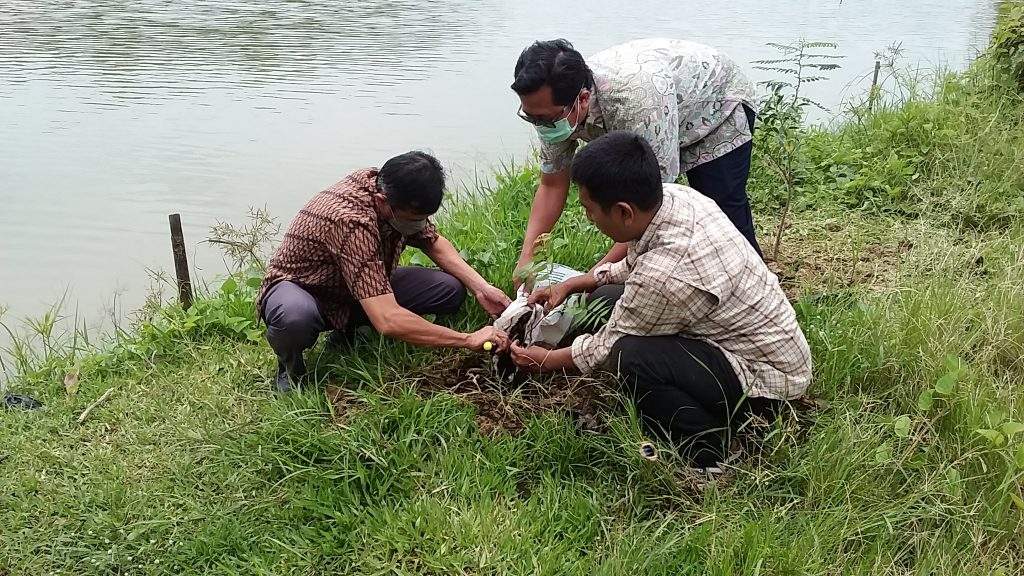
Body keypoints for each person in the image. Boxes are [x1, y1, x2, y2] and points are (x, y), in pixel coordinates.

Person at [509, 132, 811, 468]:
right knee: (608, 295)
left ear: (624, 212)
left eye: (589, 210)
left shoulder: (667, 275)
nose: (588, 218)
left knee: (631, 356)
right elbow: (633, 265)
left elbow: (606, 346)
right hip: (739, 334)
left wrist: (544, 360)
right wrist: (577, 283)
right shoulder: (674, 199)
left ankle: (704, 449)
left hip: (765, 380)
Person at [511, 37, 762, 286]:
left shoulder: (635, 102)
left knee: (721, 210)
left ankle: (756, 287)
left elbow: (651, 206)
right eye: (531, 117)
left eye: (544, 119)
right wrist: (527, 258)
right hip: (667, 105)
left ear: (583, 99)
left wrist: (593, 277)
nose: (540, 126)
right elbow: (552, 184)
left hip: (715, 104)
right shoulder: (551, 112)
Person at [257, 151, 511, 392]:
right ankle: (289, 368)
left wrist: (481, 288)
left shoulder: (389, 186)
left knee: (449, 289)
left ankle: (349, 329)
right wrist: (466, 339)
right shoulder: (350, 221)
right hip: (304, 288)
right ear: (382, 202)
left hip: (358, 284)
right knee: (294, 318)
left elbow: (432, 241)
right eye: (414, 219)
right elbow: (388, 320)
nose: (419, 225)